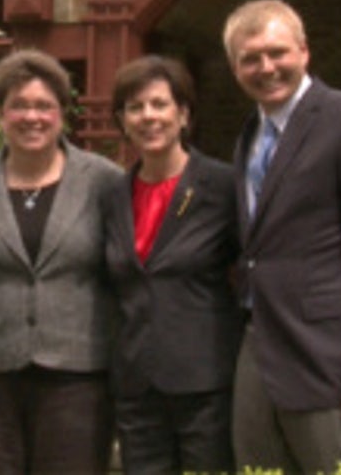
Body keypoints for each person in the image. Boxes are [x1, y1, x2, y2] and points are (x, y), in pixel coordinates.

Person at [223, 0, 341, 473]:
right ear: (234, 68)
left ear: (304, 51)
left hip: (332, 355)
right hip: (261, 345)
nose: (266, 67)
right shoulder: (250, 136)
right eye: (250, 58)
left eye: (277, 52)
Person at [0, 49, 121, 474]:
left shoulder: (104, 182)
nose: (33, 117)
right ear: (0, 113)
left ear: (63, 112)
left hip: (78, 378)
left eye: (44, 106)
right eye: (20, 106)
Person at [103, 55, 240, 474]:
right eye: (135, 107)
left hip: (206, 384)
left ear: (183, 114)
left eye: (159, 105)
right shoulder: (111, 195)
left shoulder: (223, 187)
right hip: (136, 387)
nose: (149, 117)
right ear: (123, 120)